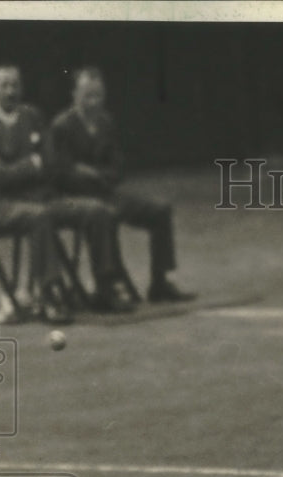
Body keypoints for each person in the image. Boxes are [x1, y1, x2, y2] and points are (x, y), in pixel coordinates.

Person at [0, 65, 130, 322]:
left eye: (15, 85)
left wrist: (23, 168)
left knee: (97, 211)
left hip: (41, 197)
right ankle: (50, 293)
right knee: (39, 217)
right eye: (4, 85)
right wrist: (31, 164)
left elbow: (50, 162)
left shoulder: (33, 116)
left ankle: (105, 286)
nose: (11, 91)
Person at [48, 67, 195, 303]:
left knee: (160, 210)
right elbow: (61, 173)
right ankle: (106, 286)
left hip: (106, 191)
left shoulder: (106, 122)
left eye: (98, 95)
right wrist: (92, 176)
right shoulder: (62, 127)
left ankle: (161, 281)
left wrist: (92, 173)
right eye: (88, 96)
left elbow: (117, 167)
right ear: (74, 95)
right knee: (101, 213)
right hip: (75, 197)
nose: (94, 102)